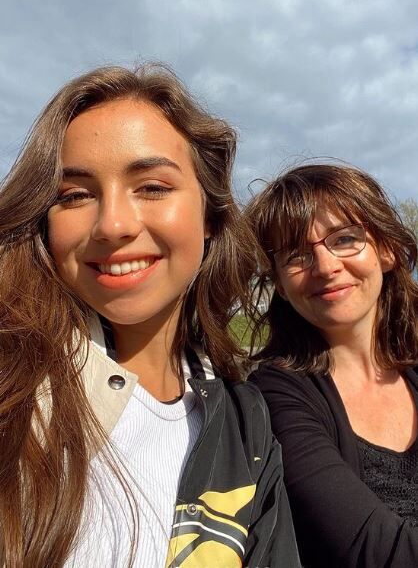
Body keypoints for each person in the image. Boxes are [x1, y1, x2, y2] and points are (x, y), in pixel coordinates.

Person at [0, 65, 300, 567]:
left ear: (210, 217)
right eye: (74, 195)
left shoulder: (248, 426)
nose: (113, 224)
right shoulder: (15, 392)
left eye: (153, 187)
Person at [246, 163, 418, 568]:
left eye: (344, 239)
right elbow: (375, 553)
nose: (325, 267)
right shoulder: (275, 395)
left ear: (387, 250)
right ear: (282, 288)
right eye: (297, 255)